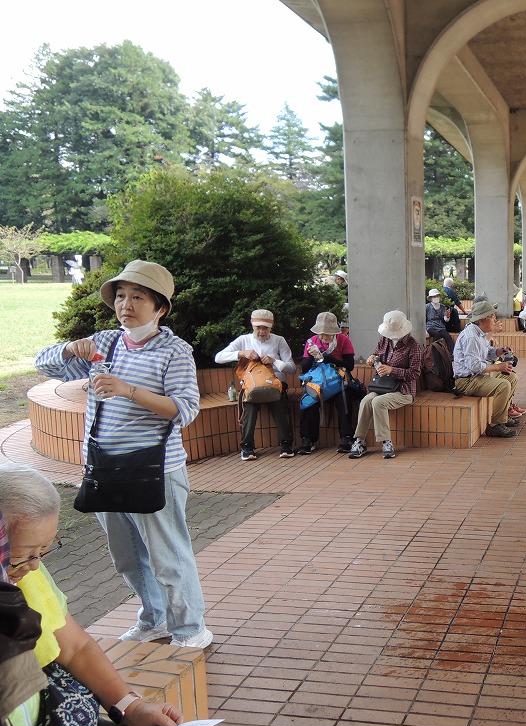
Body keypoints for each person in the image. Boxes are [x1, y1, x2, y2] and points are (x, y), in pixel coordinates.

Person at [35, 260, 211, 649]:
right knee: (128, 557)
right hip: (103, 467)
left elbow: (184, 410)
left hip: (154, 469)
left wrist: (128, 390)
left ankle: (190, 629)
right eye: (120, 296)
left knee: (168, 556)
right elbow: (44, 364)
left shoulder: (174, 351)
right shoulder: (105, 343)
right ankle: (154, 618)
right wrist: (70, 348)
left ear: (160, 307)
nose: (125, 305)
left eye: (137, 297)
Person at [0, 464, 186, 726]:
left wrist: (130, 707)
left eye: (44, 551)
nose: (34, 566)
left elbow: (76, 648)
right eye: (22, 555)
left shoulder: (29, 575)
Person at [214, 309, 296, 460]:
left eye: (266, 328)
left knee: (277, 401)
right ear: (252, 325)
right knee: (250, 403)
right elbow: (218, 357)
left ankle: (286, 443)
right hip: (252, 385)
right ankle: (247, 446)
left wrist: (274, 361)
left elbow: (292, 368)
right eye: (258, 327)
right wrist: (241, 353)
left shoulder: (279, 340)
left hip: (275, 384)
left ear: (271, 327)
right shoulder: (243, 340)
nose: (262, 331)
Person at [349, 310, 423, 460]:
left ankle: (386, 442)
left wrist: (392, 370)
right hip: (382, 386)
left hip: (403, 390)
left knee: (378, 402)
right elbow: (377, 355)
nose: (391, 336)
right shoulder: (384, 339)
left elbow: (415, 373)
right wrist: (372, 359)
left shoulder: (413, 345)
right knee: (366, 401)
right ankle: (360, 440)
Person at [453, 301, 521, 437]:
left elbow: (488, 352)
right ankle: (495, 425)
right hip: (467, 381)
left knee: (511, 377)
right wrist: (498, 367)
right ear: (481, 320)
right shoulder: (472, 337)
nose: (494, 320)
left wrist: (502, 350)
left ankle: (503, 415)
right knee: (503, 385)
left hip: (477, 377)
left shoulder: (479, 333)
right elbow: (474, 366)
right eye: (492, 317)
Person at [298, 311, 360, 455]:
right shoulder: (311, 342)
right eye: (322, 334)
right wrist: (311, 357)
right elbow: (304, 369)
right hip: (317, 382)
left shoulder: (343, 340)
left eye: (328, 334)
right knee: (309, 400)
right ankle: (308, 439)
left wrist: (330, 359)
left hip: (338, 381)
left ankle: (346, 437)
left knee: (344, 398)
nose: (325, 337)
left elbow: (349, 365)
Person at [425, 288, 456, 352]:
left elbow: (446, 320)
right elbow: (424, 318)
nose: (436, 298)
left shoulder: (443, 306)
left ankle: (452, 354)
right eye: (434, 296)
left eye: (437, 296)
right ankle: (435, 353)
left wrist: (447, 316)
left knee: (448, 336)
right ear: (430, 298)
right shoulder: (427, 307)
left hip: (440, 326)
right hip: (430, 326)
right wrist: (424, 330)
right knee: (437, 335)